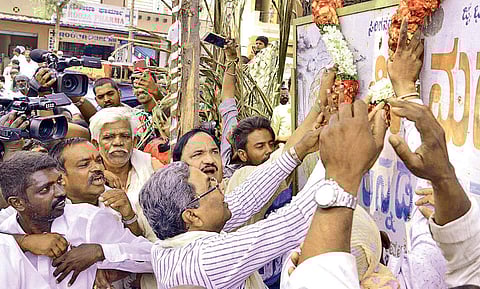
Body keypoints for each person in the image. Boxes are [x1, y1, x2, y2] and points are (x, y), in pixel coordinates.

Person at [140, 97, 387, 288]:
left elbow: (247, 196)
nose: (220, 187)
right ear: (191, 216)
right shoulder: (207, 259)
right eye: (210, 186)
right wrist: (344, 163)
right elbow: (291, 223)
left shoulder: (170, 243)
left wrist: (299, 150)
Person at [0, 151, 153, 289]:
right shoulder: (6, 234)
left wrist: (100, 252)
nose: (60, 192)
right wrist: (23, 242)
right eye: (45, 189)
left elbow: (153, 257)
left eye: (59, 182)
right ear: (17, 203)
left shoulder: (88, 220)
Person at [89, 107, 163, 209]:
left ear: (134, 142)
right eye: (108, 137)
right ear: (96, 144)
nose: (118, 142)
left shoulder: (150, 165)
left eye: (125, 136)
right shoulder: (88, 173)